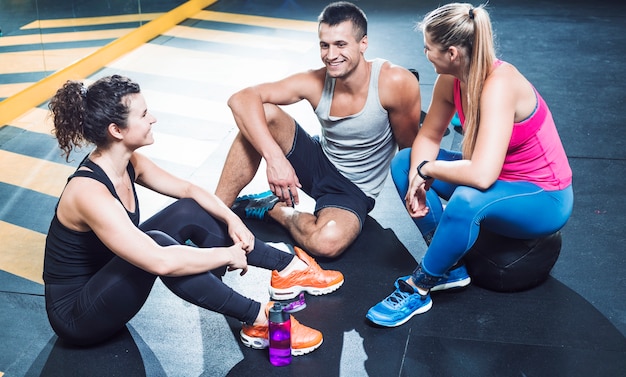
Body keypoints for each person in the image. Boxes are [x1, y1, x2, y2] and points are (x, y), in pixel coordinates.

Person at [43, 75, 345, 355]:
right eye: (144, 114)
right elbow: (159, 261)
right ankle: (260, 318)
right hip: (78, 316)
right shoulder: (89, 192)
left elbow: (188, 189)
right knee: (158, 243)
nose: (153, 118)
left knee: (190, 209)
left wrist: (232, 218)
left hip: (106, 279)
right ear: (117, 130)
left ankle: (288, 268)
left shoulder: (128, 161)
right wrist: (226, 255)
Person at [366, 2, 573, 327]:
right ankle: (446, 264)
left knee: (465, 199)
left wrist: (428, 172)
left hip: (544, 196)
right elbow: (430, 136)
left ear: (451, 53)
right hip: (497, 176)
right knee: (405, 162)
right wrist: (418, 172)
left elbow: (481, 174)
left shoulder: (499, 85)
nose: (424, 53)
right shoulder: (452, 80)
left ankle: (419, 287)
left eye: (429, 48)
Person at [215, 1, 422, 258]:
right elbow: (240, 99)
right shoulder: (314, 80)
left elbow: (410, 152)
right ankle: (213, 215)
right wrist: (275, 159)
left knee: (327, 243)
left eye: (341, 44)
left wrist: (421, 202)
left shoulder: (394, 82)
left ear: (363, 43)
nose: (331, 55)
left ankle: (273, 208)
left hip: (352, 189)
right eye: (325, 45)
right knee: (263, 112)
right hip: (317, 162)